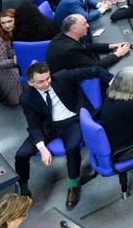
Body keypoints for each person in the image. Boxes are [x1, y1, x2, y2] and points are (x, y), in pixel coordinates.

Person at [17, 62, 86, 208]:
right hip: (46, 127)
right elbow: (33, 125)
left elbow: (92, 70)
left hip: (70, 122)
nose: (47, 83)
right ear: (30, 83)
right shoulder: (26, 98)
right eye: (41, 82)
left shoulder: (61, 77)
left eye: (48, 78)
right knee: (21, 154)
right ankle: (24, 189)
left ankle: (73, 185)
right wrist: (42, 148)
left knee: (72, 147)